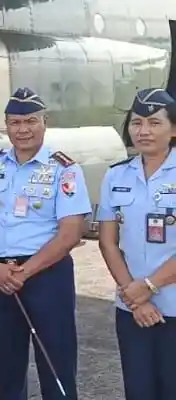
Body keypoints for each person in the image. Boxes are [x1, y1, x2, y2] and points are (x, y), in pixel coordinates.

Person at [0, 87, 92, 400]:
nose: (22, 129)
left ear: (44, 122)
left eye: (30, 121)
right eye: (15, 123)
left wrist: (24, 273)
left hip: (46, 276)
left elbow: (70, 233)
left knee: (56, 366)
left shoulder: (63, 169)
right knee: (7, 370)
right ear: (6, 126)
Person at [97, 87, 176, 400]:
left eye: (155, 123)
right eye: (137, 122)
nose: (143, 131)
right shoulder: (116, 176)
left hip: (172, 305)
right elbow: (107, 241)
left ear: (173, 129)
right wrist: (136, 297)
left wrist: (150, 287)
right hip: (131, 308)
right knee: (138, 390)